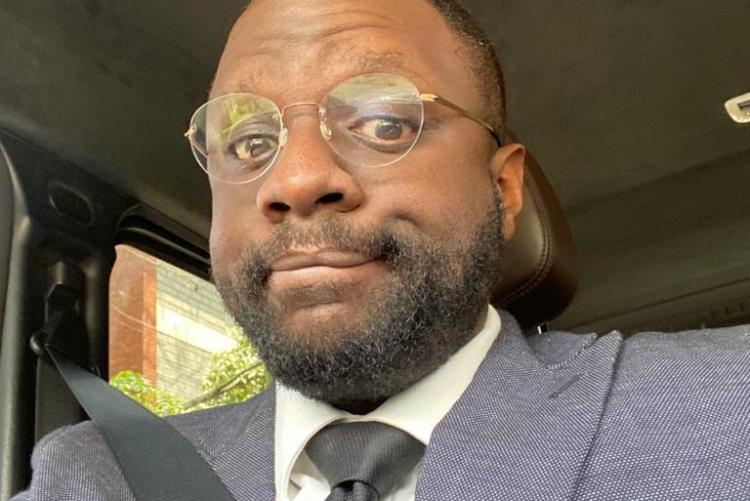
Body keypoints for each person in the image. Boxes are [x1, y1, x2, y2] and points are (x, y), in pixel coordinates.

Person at [13, 0, 750, 499]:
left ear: (504, 189)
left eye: (383, 122)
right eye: (250, 141)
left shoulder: (725, 406)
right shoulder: (96, 477)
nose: (295, 181)